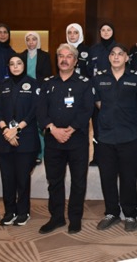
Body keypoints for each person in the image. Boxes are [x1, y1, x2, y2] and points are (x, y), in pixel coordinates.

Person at [37, 43, 94, 235]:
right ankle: (57, 217)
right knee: (54, 181)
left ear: (75, 61)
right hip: (53, 140)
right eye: (61, 56)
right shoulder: (48, 83)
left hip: (77, 139)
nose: (64, 59)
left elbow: (87, 109)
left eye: (69, 56)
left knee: (78, 181)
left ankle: (75, 218)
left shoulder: (84, 83)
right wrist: (53, 129)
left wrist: (70, 129)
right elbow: (40, 110)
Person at [92, 43, 137, 232]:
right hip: (106, 136)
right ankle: (111, 212)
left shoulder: (136, 78)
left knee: (129, 178)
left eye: (120, 54)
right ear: (109, 57)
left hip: (129, 136)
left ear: (126, 58)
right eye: (113, 54)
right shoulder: (99, 78)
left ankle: (130, 214)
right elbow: (98, 103)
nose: (116, 57)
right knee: (107, 177)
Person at [0, 54, 40, 226]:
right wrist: (6, 130)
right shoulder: (1, 86)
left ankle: (23, 212)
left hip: (25, 138)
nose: (15, 66)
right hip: (4, 138)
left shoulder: (34, 84)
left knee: (22, 178)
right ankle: (9, 211)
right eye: (12, 63)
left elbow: (34, 110)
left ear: (24, 65)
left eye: (18, 63)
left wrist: (17, 129)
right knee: (7, 178)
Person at [86, 22, 117, 167]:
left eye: (108, 29)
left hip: (113, 93)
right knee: (97, 127)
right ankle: (97, 157)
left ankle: (113, 156)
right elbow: (89, 72)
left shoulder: (118, 49)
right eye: (103, 30)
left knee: (114, 124)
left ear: (113, 31)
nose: (105, 32)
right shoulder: (93, 49)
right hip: (96, 93)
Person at [21, 31, 52, 165]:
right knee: (26, 121)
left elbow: (47, 75)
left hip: (40, 91)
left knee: (39, 123)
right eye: (28, 39)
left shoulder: (45, 56)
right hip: (24, 92)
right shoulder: (21, 56)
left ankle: (40, 152)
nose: (31, 42)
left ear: (38, 41)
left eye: (34, 39)